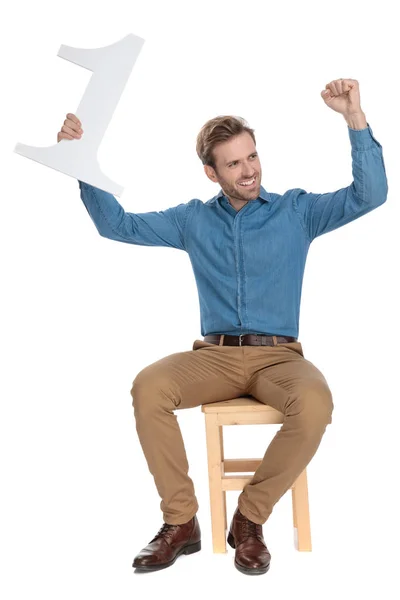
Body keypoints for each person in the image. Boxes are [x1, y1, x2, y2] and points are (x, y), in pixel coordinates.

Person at [57, 78, 388, 576]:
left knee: (316, 402)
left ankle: (250, 519)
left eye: (252, 156)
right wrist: (80, 164)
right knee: (149, 386)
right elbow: (116, 226)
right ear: (211, 173)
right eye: (234, 163)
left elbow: (372, 194)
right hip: (212, 357)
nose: (249, 170)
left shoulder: (297, 211)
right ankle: (181, 522)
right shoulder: (192, 220)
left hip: (279, 358)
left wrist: (354, 118)